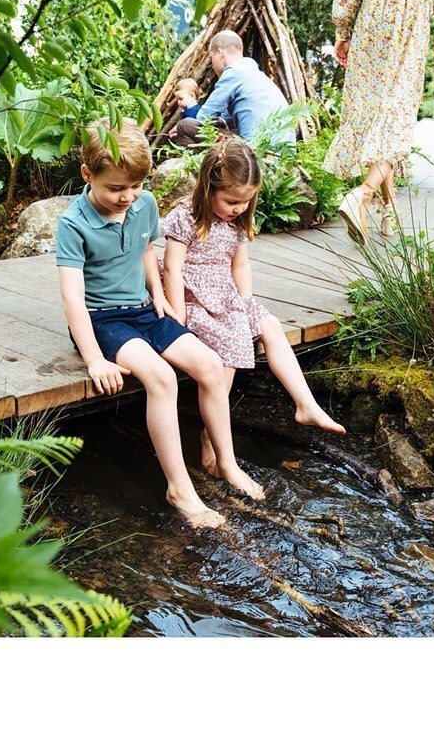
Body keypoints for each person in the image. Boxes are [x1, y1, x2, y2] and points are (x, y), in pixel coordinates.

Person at [55, 119, 263, 530]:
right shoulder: (73, 224)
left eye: (134, 187)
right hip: (102, 322)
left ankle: (227, 462)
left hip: (145, 310)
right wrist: (96, 359)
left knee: (208, 365)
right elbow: (72, 299)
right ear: (87, 175)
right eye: (116, 188)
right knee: (162, 378)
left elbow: (148, 252)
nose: (127, 197)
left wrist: (163, 298)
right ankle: (180, 488)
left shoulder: (143, 203)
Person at [163, 136, 345, 477]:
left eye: (246, 202)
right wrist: (178, 315)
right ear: (208, 188)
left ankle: (305, 404)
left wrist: (245, 302)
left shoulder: (236, 221)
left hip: (227, 293)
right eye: (232, 201)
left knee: (270, 326)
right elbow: (171, 267)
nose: (239, 208)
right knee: (232, 343)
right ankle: (210, 436)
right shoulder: (185, 217)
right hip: (193, 297)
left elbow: (240, 266)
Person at [325, 0, 434, 242]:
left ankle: (390, 208)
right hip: (410, 13)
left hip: (372, 13)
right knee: (398, 114)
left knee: (377, 113)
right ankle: (362, 195)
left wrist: (343, 30)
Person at [171, 30, 294, 148]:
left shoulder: (233, 72)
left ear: (219, 53)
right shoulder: (251, 71)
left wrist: (182, 129)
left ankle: (201, 166)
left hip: (257, 151)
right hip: (281, 151)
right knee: (234, 130)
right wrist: (221, 122)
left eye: (212, 59)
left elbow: (204, 117)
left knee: (184, 125)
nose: (213, 66)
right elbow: (225, 116)